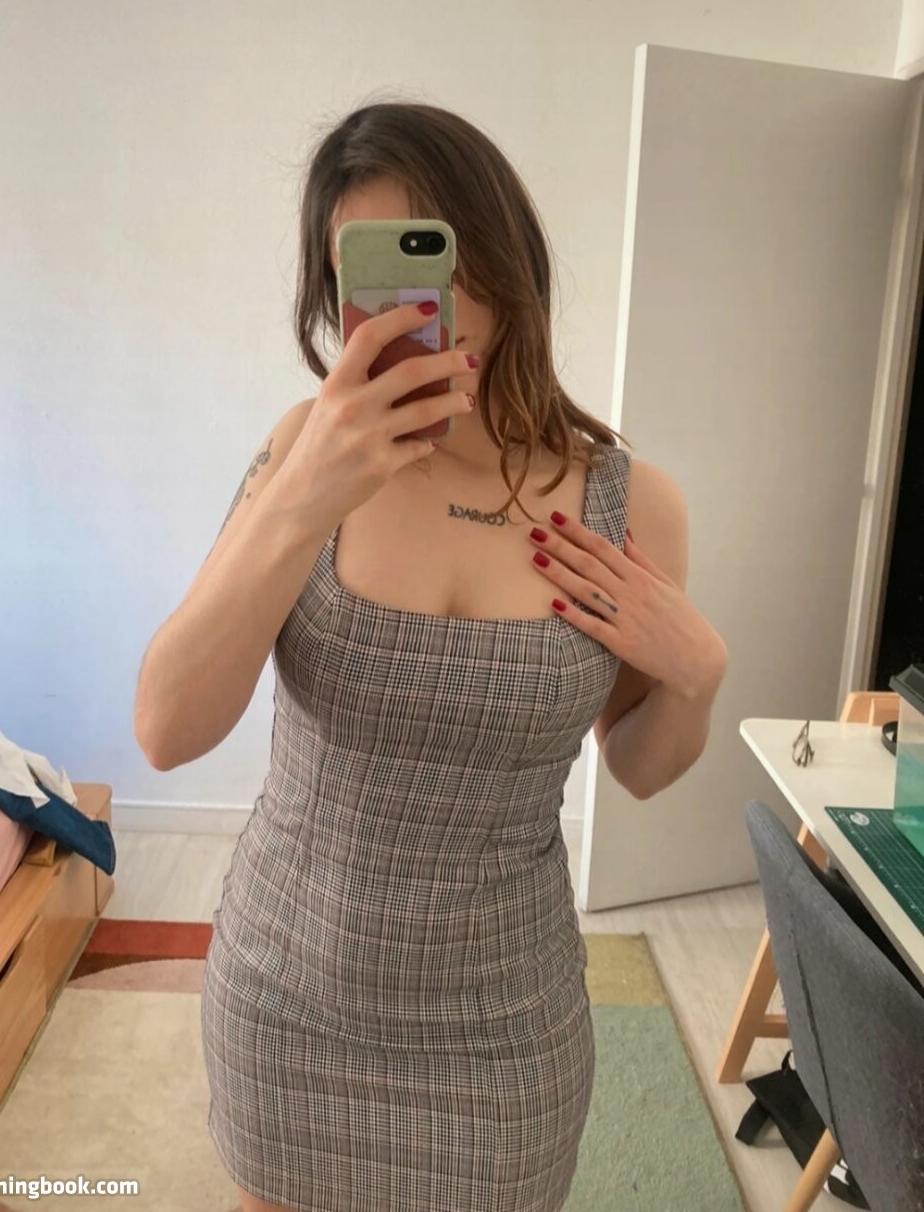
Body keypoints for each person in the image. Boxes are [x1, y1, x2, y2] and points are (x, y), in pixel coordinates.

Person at [134, 100, 728, 1212]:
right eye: (376, 267)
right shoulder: (299, 454)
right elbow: (167, 728)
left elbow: (641, 766)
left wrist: (695, 678)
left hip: (505, 1038)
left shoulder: (630, 504)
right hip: (285, 1002)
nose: (422, 306)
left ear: (504, 254)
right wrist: (302, 498)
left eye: (440, 252)